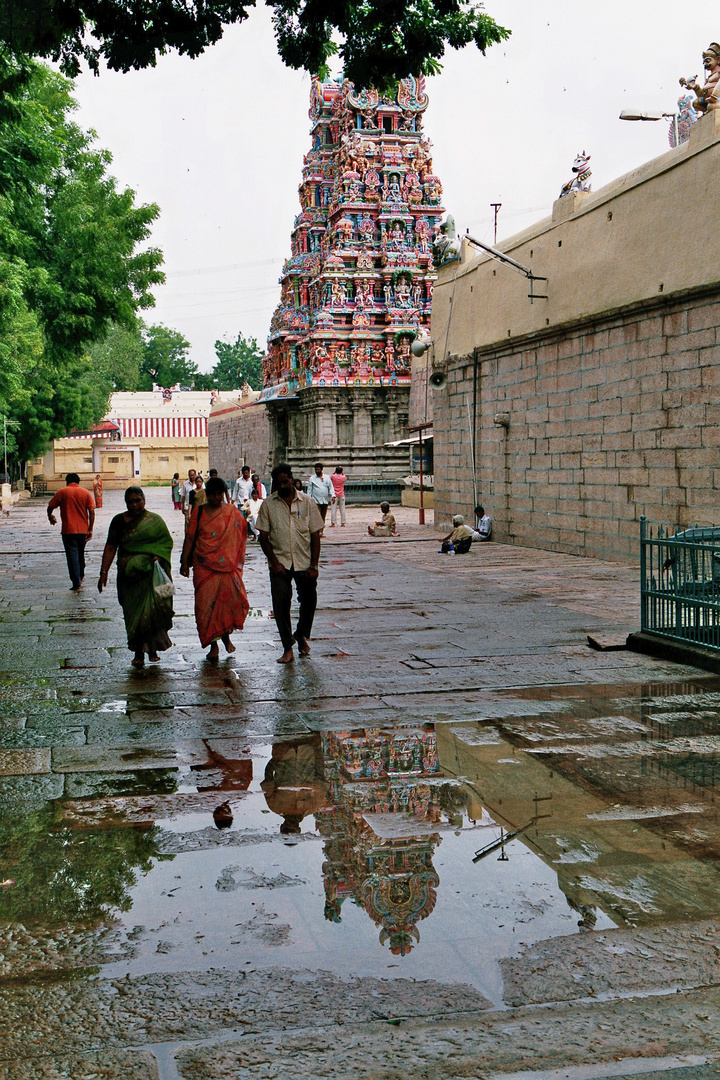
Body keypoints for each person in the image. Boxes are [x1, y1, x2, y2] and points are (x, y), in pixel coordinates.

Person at [97, 486, 174, 667]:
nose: (134, 505)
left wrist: (158, 556)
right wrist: (103, 573)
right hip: (129, 578)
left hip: (150, 577)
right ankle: (139, 651)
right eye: (130, 502)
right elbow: (110, 547)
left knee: (152, 613)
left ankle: (152, 649)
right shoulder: (118, 521)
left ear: (144, 500)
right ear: (126, 503)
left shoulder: (155, 521)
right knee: (133, 615)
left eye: (137, 500)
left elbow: (165, 544)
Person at [256, 463, 323, 664]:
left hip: (304, 562)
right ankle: (287, 647)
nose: (283, 485)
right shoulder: (268, 504)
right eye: (279, 482)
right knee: (281, 605)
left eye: (286, 481)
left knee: (309, 601)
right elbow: (263, 537)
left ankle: (301, 634)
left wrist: (314, 565)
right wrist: (274, 562)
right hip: (280, 563)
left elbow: (315, 536)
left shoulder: (308, 502)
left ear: (292, 479)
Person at [180, 477, 249, 661]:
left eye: (219, 494)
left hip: (226, 567)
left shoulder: (232, 512)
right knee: (205, 606)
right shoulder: (199, 512)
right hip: (203, 566)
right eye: (212, 494)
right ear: (206, 494)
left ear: (224, 494)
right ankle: (213, 645)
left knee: (226, 604)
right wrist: (184, 562)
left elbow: (242, 532)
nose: (216, 497)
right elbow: (189, 537)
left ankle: (225, 637)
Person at [47, 473, 95, 592]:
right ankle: (81, 576)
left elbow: (50, 506)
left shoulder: (62, 492)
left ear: (67, 481)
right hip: (82, 529)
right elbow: (92, 512)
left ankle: (76, 581)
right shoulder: (85, 493)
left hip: (68, 530)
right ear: (78, 481)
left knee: (72, 555)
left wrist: (50, 516)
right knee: (80, 554)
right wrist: (90, 529)